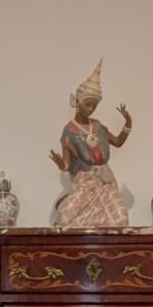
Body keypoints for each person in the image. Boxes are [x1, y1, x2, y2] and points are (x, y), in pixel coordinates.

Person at [48, 61, 134, 227]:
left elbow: (118, 142)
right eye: (88, 104)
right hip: (84, 183)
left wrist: (128, 124)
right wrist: (60, 163)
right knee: (66, 217)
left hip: (106, 182)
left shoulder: (98, 127)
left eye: (94, 106)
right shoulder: (69, 132)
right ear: (77, 101)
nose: (91, 109)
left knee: (120, 218)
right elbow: (67, 166)